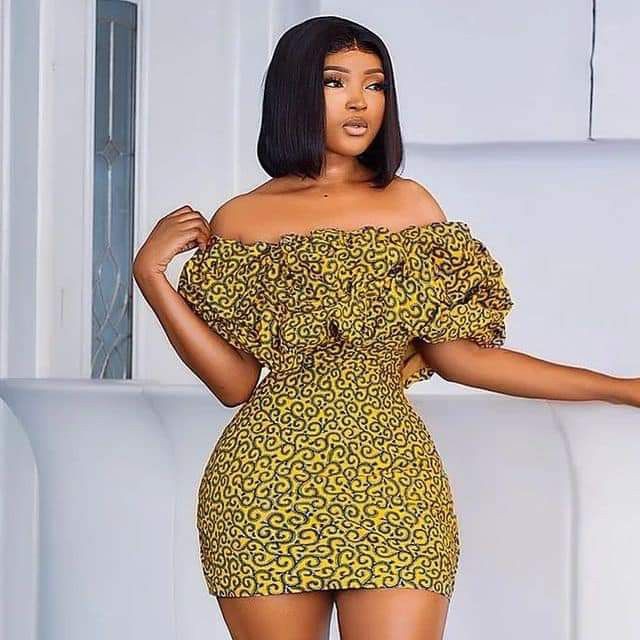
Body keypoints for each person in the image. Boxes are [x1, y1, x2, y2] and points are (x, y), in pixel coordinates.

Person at [132, 15, 640, 640]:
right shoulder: (241, 219)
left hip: (393, 480)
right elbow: (235, 384)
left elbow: (462, 357)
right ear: (294, 92)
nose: (359, 101)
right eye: (336, 82)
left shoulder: (410, 205)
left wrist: (622, 388)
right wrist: (152, 276)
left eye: (374, 85)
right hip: (263, 486)